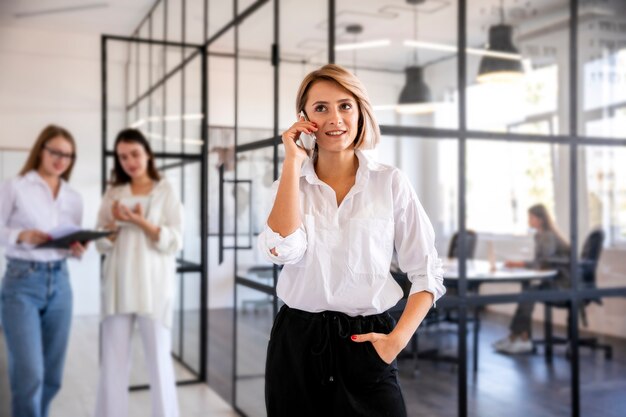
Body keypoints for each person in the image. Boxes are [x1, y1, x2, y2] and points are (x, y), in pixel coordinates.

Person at [258, 64, 446, 417]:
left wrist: (395, 343)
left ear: (361, 112)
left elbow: (427, 272)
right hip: (297, 343)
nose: (335, 118)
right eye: (320, 108)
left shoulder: (390, 183)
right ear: (305, 118)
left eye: (345, 106)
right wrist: (291, 163)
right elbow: (282, 249)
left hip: (367, 343)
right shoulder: (289, 187)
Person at [94, 128, 183, 417]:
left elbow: (176, 240)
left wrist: (141, 222)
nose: (129, 161)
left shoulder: (165, 189)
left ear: (147, 154)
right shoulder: (114, 193)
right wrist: (113, 229)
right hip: (118, 284)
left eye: (134, 154)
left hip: (154, 286)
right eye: (122, 157)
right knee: (113, 363)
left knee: (159, 361)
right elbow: (100, 240)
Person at [0, 125, 85, 417]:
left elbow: (70, 239)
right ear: (41, 150)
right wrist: (21, 235)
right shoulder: (15, 186)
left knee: (52, 376)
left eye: (68, 156)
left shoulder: (74, 197)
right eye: (56, 152)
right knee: (30, 374)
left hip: (60, 283)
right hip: (22, 282)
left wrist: (76, 249)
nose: (61, 160)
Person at [493, 203, 570, 354]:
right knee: (527, 292)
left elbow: (543, 263)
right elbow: (540, 263)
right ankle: (518, 336)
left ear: (540, 219)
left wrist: (518, 264)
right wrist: (518, 264)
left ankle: (521, 338)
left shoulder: (548, 236)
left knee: (528, 293)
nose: (528, 220)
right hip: (552, 280)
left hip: (562, 284)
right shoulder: (540, 235)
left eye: (531, 217)